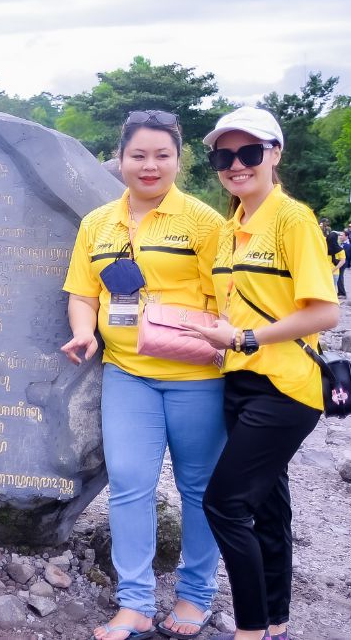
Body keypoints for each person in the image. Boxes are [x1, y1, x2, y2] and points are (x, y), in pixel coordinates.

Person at [62, 110, 227, 640]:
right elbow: (84, 291)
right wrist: (85, 331)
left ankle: (195, 594)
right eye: (139, 155)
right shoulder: (98, 223)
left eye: (162, 155)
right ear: (121, 159)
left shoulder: (205, 223)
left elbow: (230, 299)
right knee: (130, 485)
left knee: (199, 488)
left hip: (196, 376)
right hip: (127, 373)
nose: (150, 165)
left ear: (180, 159)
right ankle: (134, 602)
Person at [181, 106, 339, 640]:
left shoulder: (293, 220)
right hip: (239, 381)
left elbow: (324, 312)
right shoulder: (228, 229)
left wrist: (245, 338)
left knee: (225, 505)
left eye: (249, 152)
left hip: (286, 385)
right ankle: (275, 622)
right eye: (224, 155)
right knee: (267, 506)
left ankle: (248, 629)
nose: (236, 164)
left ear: (274, 154)